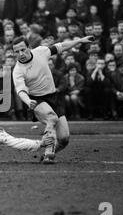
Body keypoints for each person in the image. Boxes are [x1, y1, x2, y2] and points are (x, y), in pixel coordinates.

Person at [12, 35, 94, 164]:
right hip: (36, 100)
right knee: (51, 118)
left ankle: (48, 151)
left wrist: (79, 41)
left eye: (22, 49)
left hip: (53, 97)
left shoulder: (41, 51)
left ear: (29, 47)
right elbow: (20, 90)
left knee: (64, 138)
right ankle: (48, 154)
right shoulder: (17, 70)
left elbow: (61, 46)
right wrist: (28, 101)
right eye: (16, 52)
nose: (20, 54)